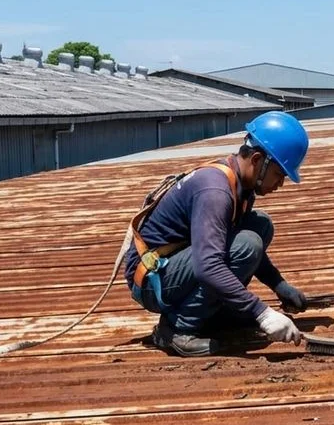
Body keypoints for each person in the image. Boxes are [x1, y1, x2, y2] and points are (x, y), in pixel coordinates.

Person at [124, 111, 313, 357]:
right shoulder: (216, 191)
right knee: (248, 244)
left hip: (176, 264)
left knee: (260, 225)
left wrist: (279, 285)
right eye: (279, 175)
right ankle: (175, 329)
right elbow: (209, 266)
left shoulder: (242, 187)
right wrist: (261, 312)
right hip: (153, 280)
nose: (280, 184)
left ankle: (217, 313)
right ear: (257, 160)